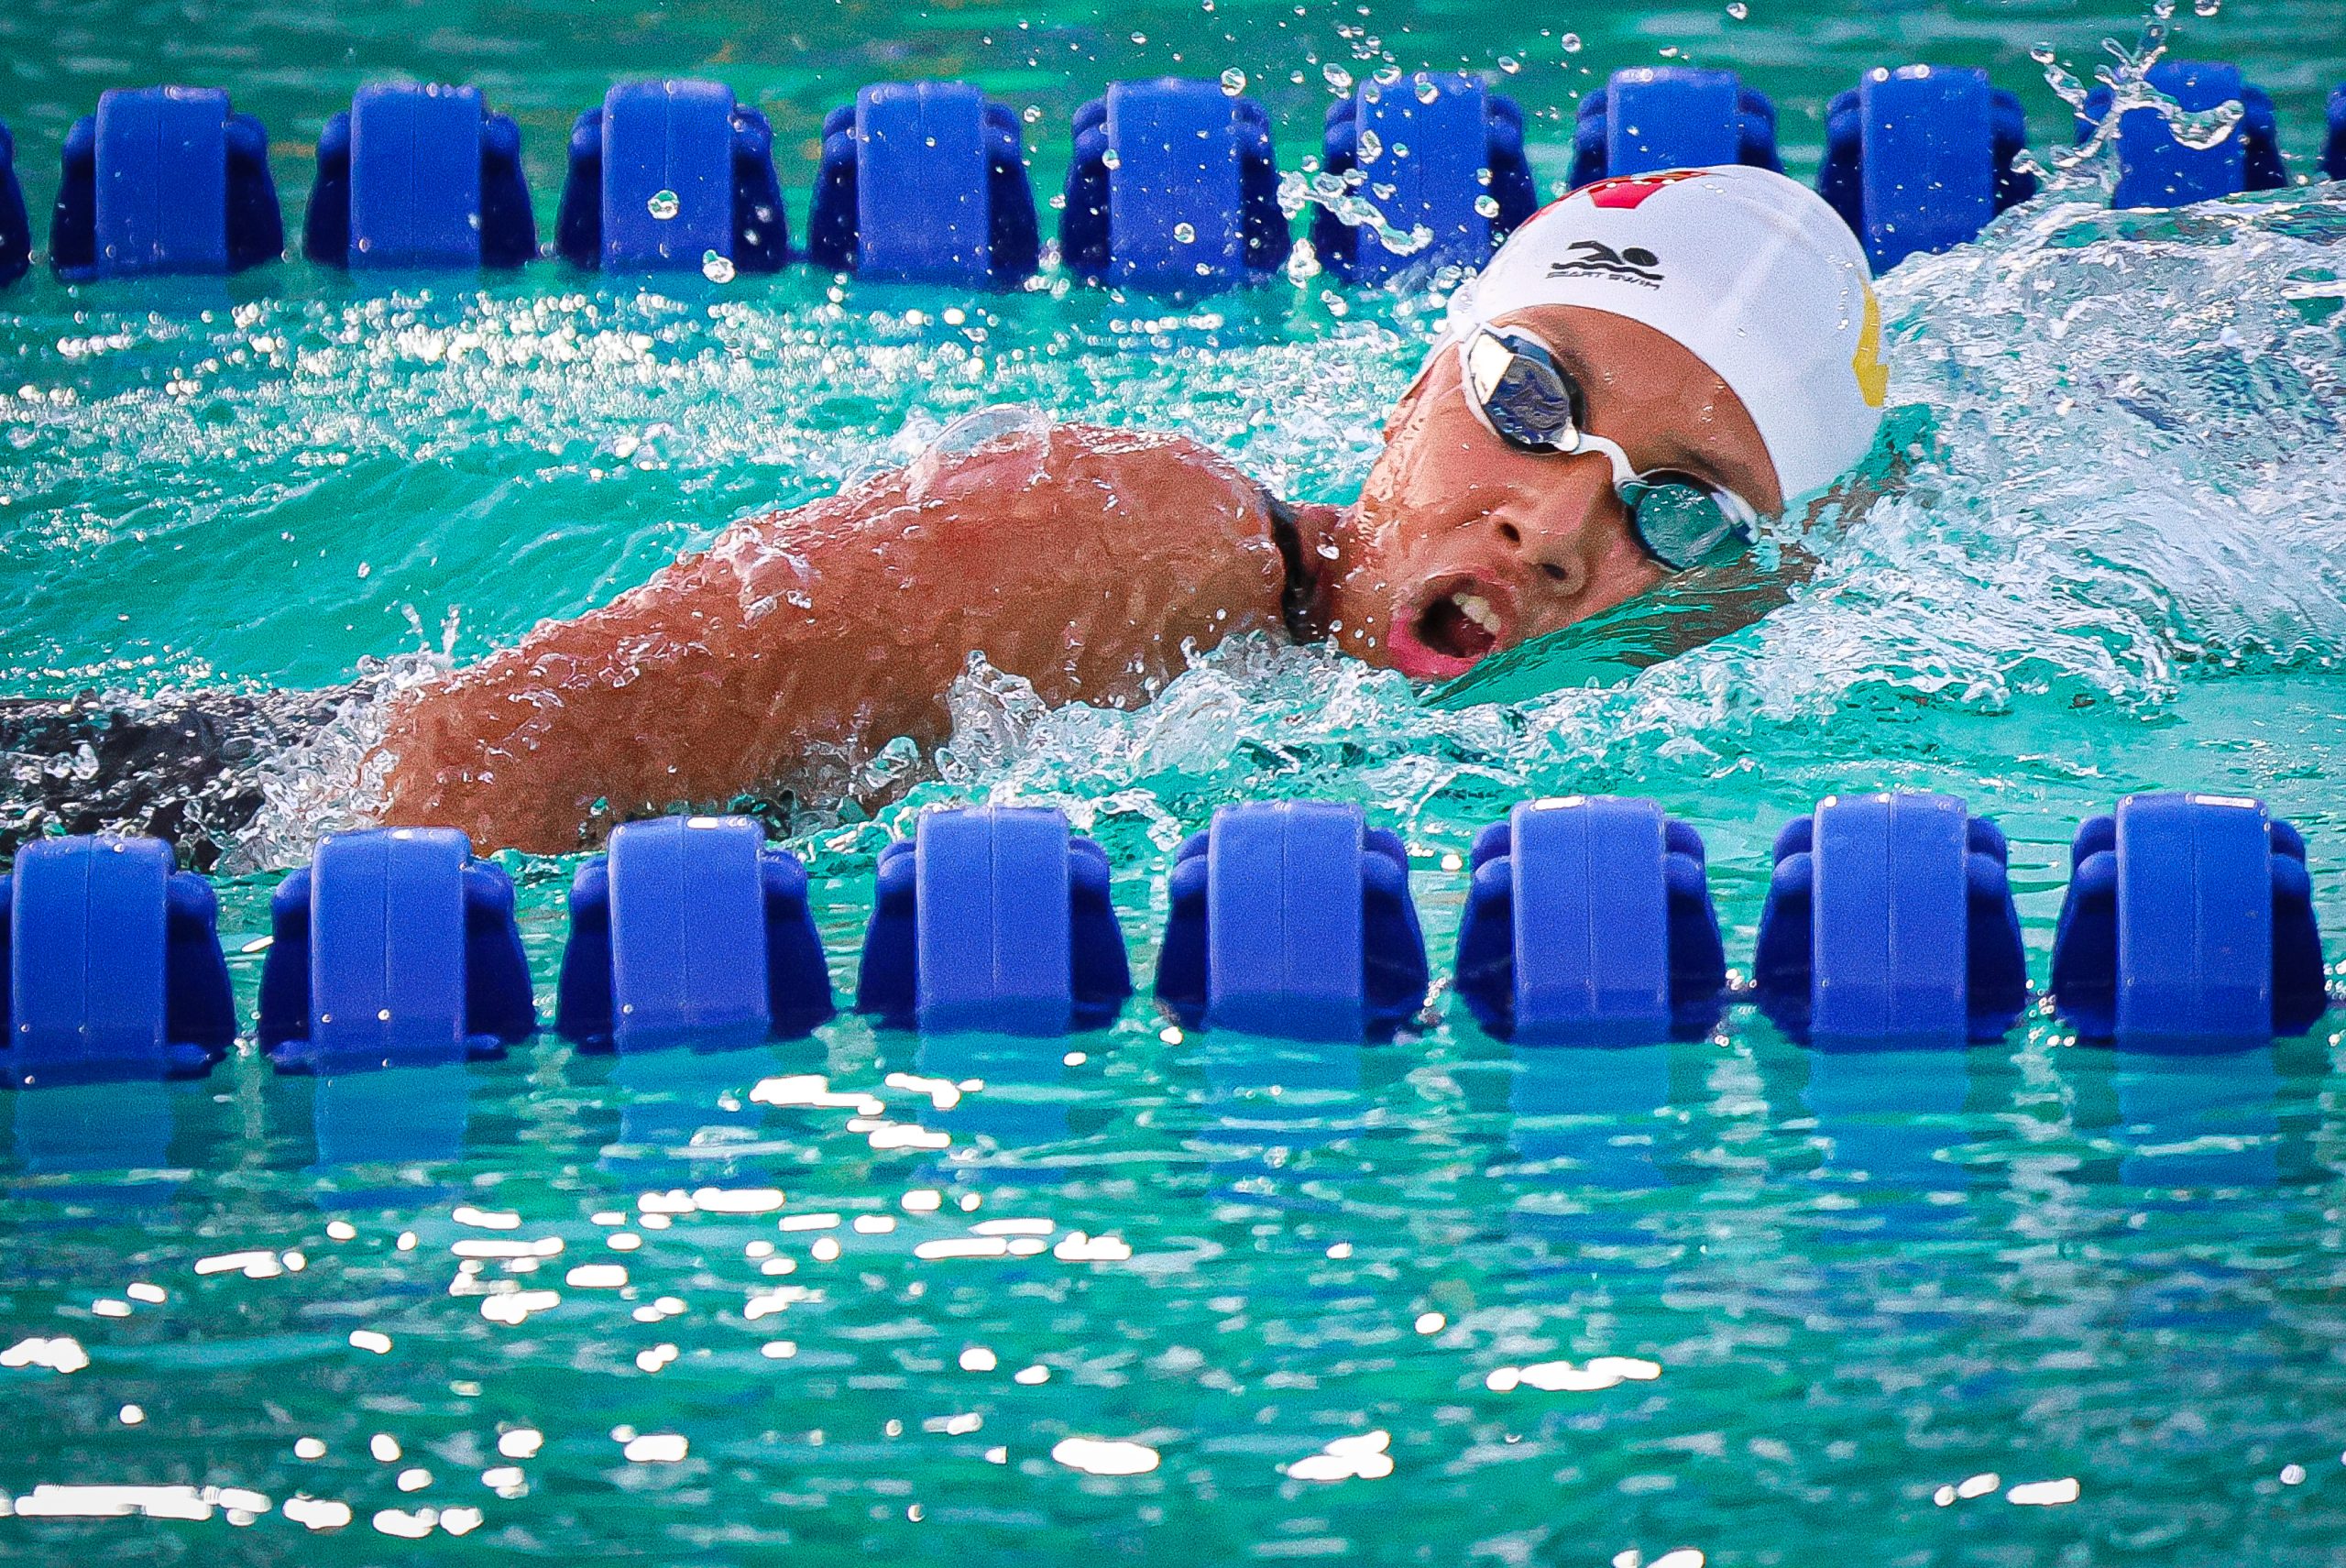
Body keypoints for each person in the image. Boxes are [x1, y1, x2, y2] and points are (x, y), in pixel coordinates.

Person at [2, 164, 1885, 862]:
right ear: (1413, 383)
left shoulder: (1313, 692)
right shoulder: (1148, 544)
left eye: (1678, 514)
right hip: (168, 819)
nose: (1554, 527)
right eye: (1530, 401)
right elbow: (456, 776)